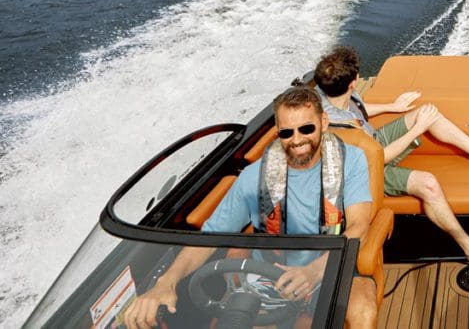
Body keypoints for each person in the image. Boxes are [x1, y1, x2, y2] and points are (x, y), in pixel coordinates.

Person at [125, 86, 377, 329]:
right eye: (287, 132)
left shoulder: (351, 161)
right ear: (278, 132)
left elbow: (359, 226)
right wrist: (166, 282)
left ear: (323, 122)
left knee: (363, 304)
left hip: (327, 269)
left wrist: (313, 272)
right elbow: (208, 238)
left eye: (306, 128)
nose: (297, 139)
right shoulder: (254, 177)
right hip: (271, 278)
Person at [314, 46, 469, 271]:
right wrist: (416, 130)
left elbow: (356, 108)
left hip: (373, 142)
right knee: (428, 184)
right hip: (366, 170)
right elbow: (379, 158)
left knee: (427, 111)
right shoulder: (341, 128)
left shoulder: (326, 96)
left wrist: (394, 107)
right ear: (354, 81)